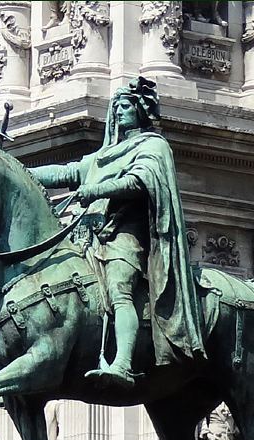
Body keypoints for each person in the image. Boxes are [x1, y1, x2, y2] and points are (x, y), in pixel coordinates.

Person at [30, 77, 205, 388]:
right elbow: (65, 172)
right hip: (88, 236)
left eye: (126, 106)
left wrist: (96, 190)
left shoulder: (152, 146)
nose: (120, 112)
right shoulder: (103, 155)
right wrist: (19, 172)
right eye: (117, 107)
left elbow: (139, 181)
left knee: (119, 288)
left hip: (126, 234)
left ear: (140, 110)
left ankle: (123, 362)